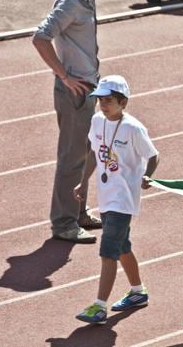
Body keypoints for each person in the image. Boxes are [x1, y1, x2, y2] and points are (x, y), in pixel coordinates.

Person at [32, 0, 110, 243]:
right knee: (71, 158)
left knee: (87, 153)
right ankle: (63, 223)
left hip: (88, 88)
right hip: (74, 92)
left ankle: (78, 212)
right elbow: (40, 38)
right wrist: (64, 76)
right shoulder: (69, 1)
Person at [73, 75, 160, 324]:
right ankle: (137, 292)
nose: (103, 104)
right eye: (100, 99)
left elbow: (153, 156)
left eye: (109, 100)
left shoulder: (133, 128)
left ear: (123, 102)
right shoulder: (97, 120)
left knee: (108, 251)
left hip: (123, 199)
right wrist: (84, 181)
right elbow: (93, 152)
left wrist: (147, 176)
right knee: (122, 247)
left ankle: (99, 307)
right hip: (106, 196)